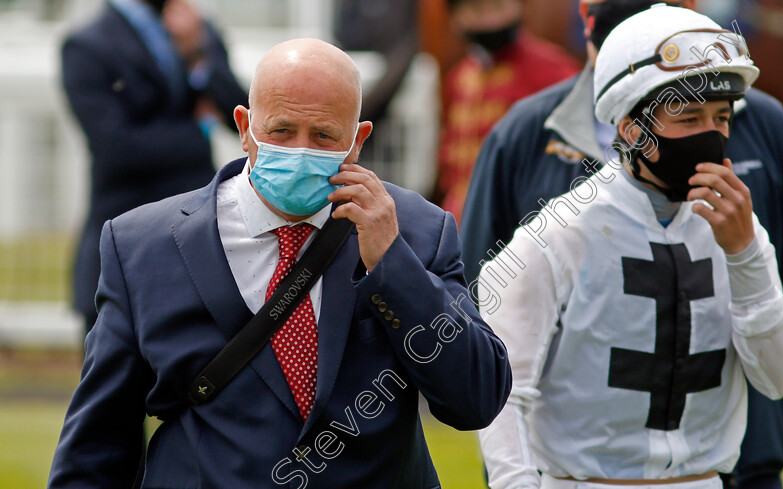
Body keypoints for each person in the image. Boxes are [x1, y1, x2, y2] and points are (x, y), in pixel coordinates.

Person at [48, 38, 511, 488]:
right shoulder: (142, 246)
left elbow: (475, 398)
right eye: (282, 131)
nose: (299, 151)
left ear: (358, 140)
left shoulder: (417, 231)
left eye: (324, 135)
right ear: (245, 126)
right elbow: (97, 445)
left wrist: (394, 265)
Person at [460, 1, 783, 487]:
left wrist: (746, 254)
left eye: (722, 118)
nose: (711, 136)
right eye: (688, 118)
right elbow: (504, 390)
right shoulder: (556, 235)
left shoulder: (742, 230)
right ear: (630, 129)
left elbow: (778, 379)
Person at [62, 0, 248, 334]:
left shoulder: (196, 29)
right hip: (124, 236)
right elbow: (117, 148)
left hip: (197, 237)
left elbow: (243, 115)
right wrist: (198, 134)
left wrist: (195, 54)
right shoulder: (87, 45)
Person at [435, 0, 579, 222]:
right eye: (476, 9)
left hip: (525, 219)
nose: (489, 20)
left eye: (497, 7)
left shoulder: (555, 72)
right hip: (460, 221)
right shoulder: (458, 77)